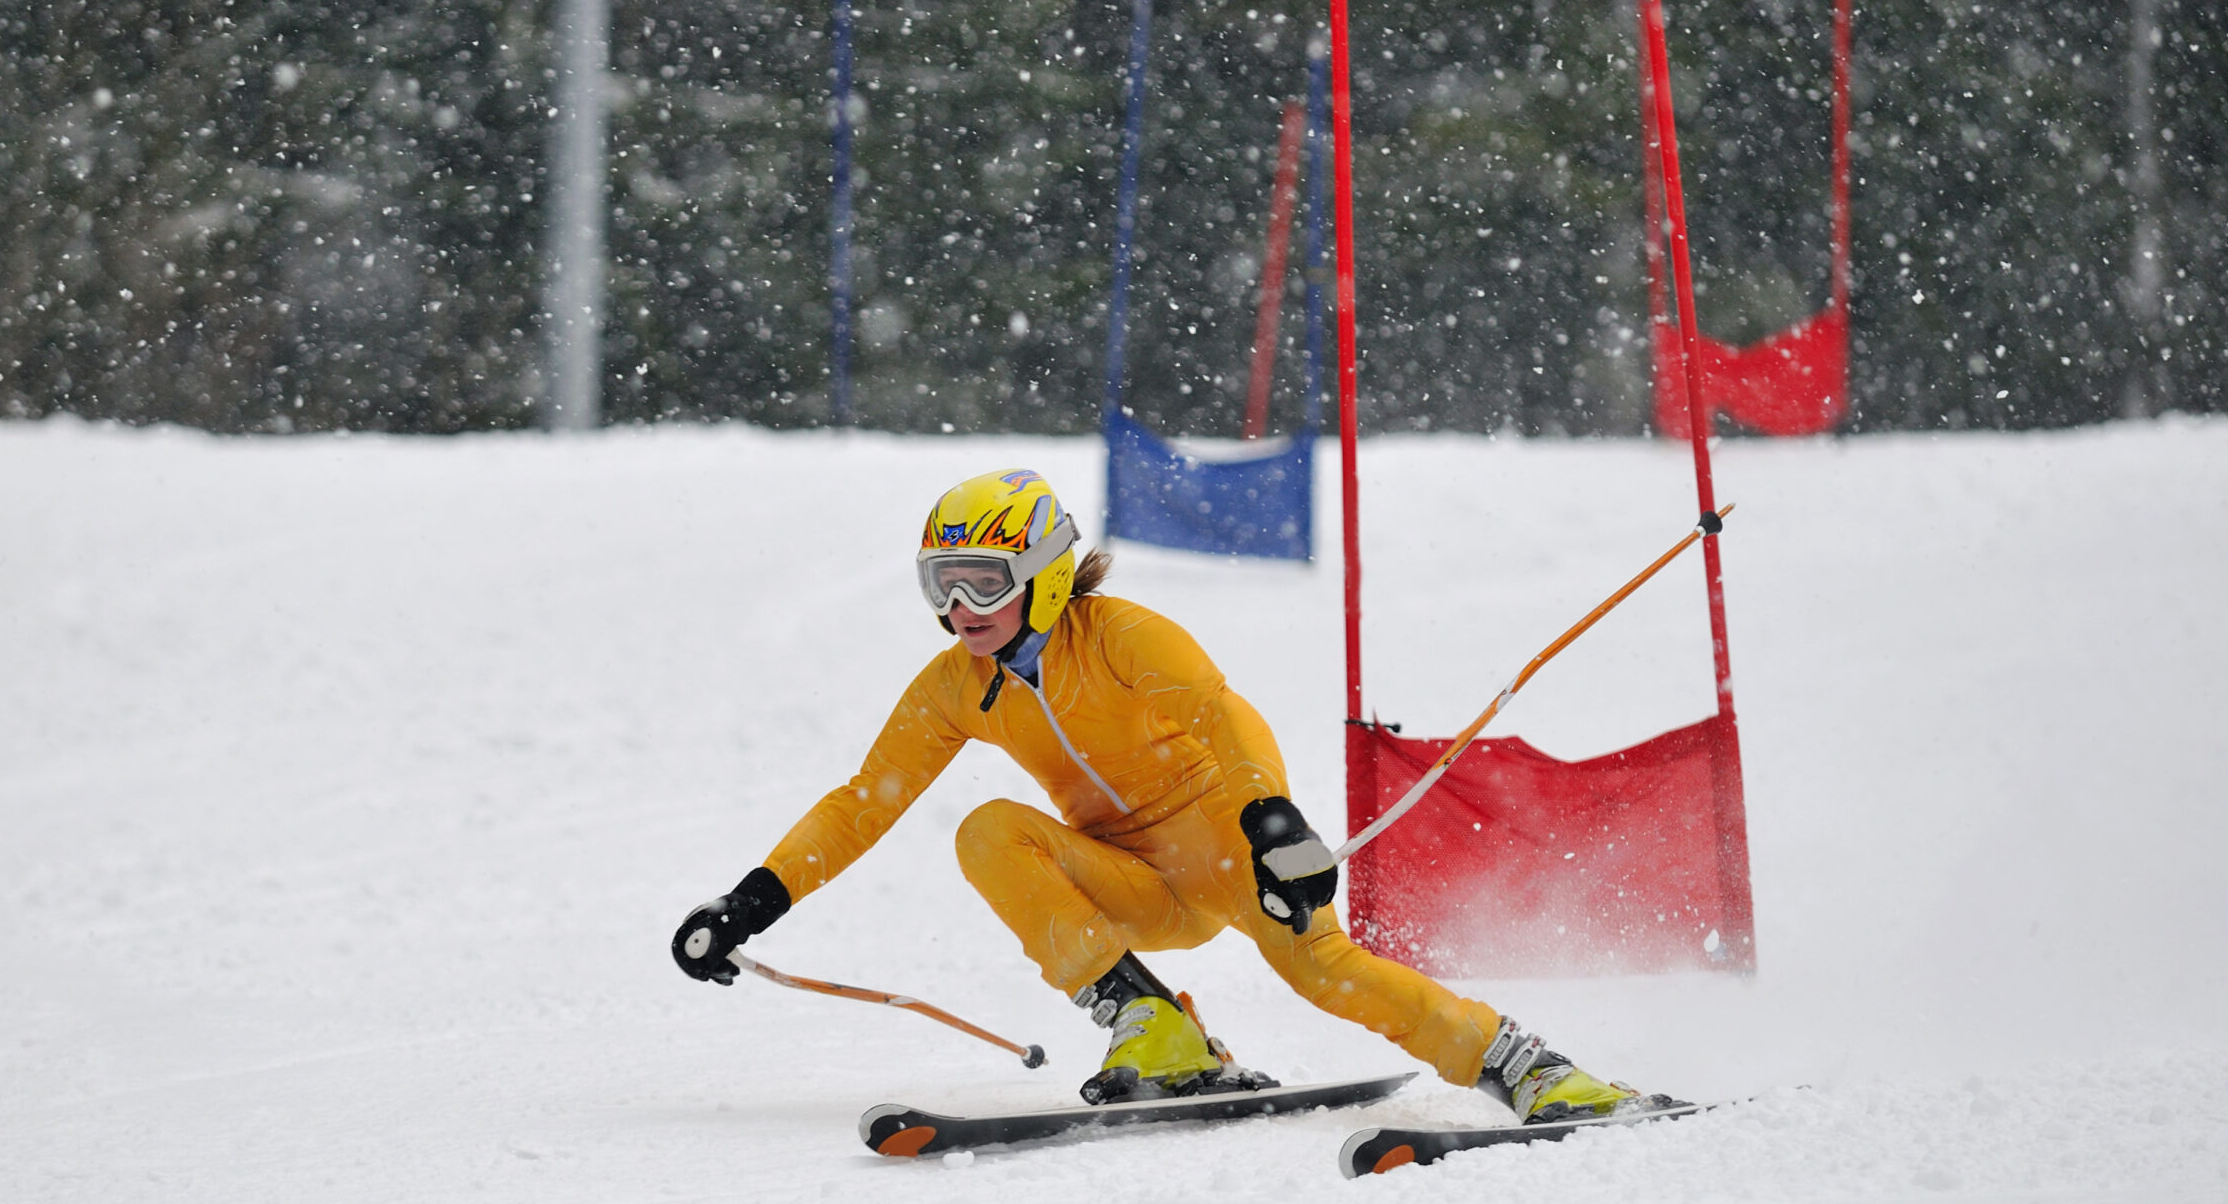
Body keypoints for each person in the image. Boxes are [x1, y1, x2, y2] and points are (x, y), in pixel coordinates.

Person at [672, 468, 1657, 1123]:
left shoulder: (1119, 636)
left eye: (979, 581)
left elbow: (1223, 717)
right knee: (986, 831)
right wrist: (750, 900)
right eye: (940, 583)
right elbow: (863, 801)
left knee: (1329, 975)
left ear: (1043, 575)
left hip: (1226, 850)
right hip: (1131, 878)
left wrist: (1272, 822)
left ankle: (1530, 1068)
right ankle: (1155, 1024)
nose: (956, 609)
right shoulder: (954, 687)